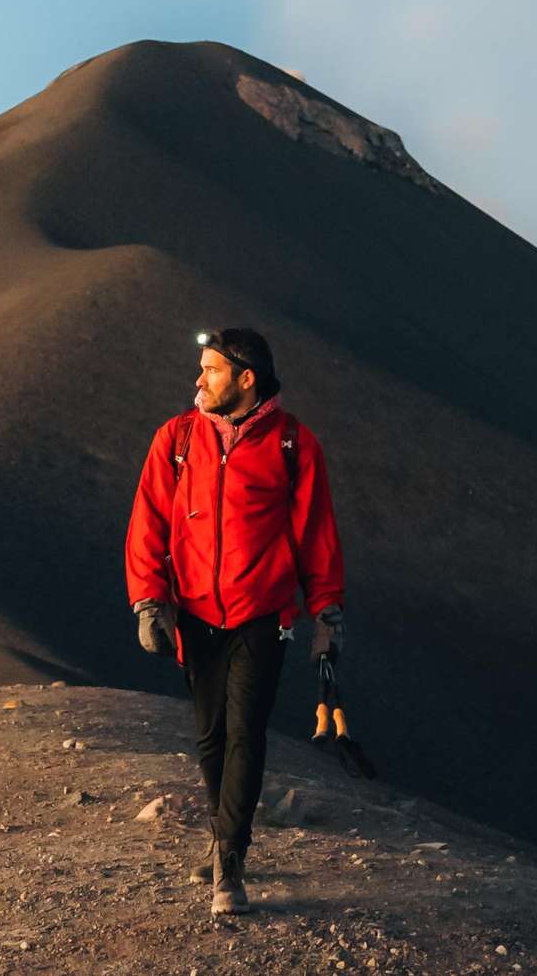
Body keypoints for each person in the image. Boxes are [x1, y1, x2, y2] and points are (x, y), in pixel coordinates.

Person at [124, 327, 346, 916]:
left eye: (212, 371)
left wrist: (326, 613)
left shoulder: (294, 443)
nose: (199, 381)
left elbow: (317, 536)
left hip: (263, 615)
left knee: (247, 732)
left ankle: (231, 860)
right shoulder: (176, 438)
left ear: (247, 380)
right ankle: (224, 833)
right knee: (211, 736)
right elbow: (148, 519)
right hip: (195, 612)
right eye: (200, 369)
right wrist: (149, 602)